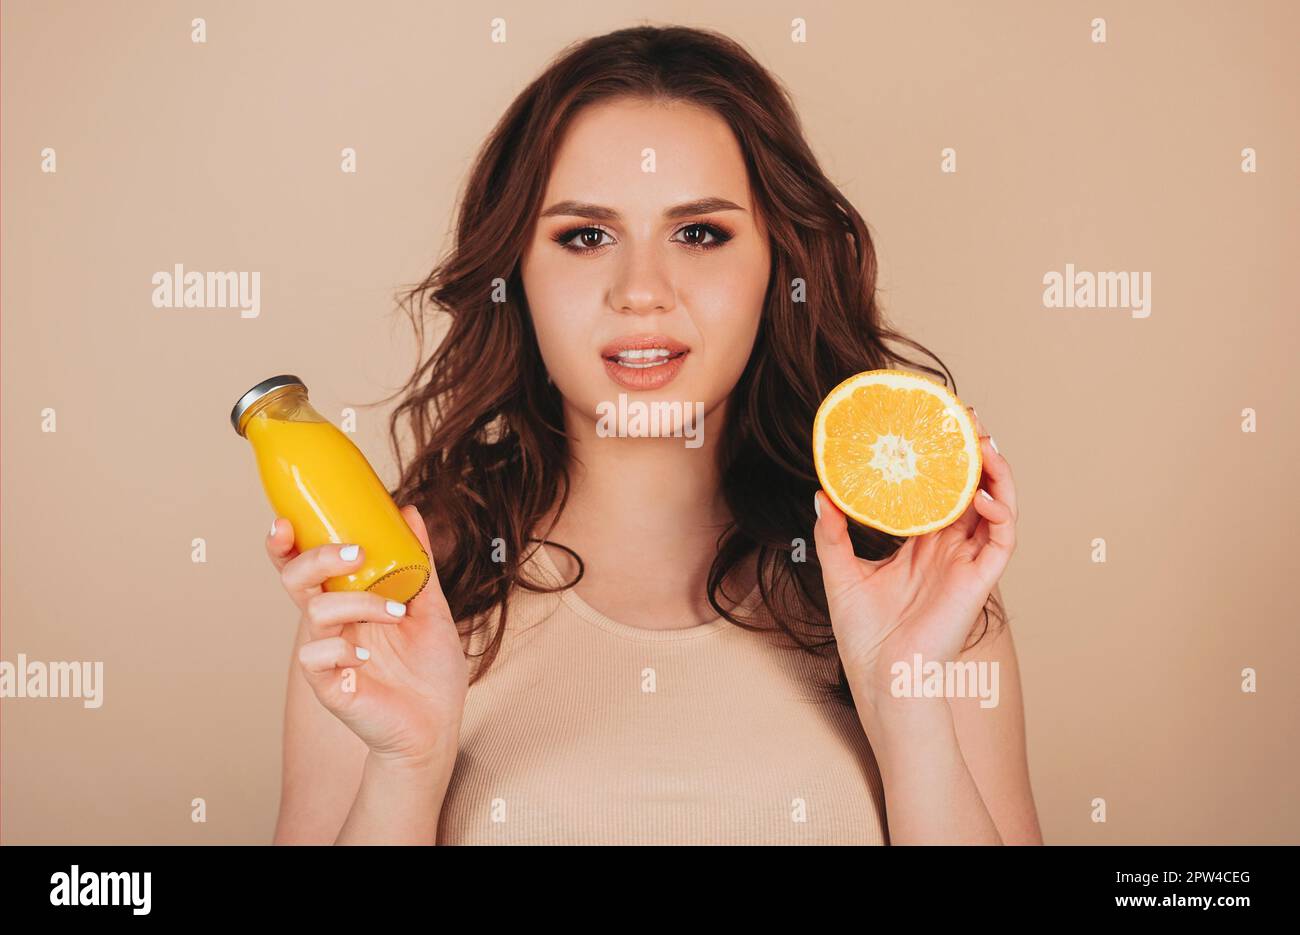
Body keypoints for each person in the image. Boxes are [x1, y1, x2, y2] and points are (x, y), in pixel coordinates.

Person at [269, 24, 1041, 845]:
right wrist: (406, 771)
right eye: (585, 236)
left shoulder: (918, 584)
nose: (642, 291)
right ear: (514, 273)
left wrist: (909, 707)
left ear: (779, 263)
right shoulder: (397, 590)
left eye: (700, 233)